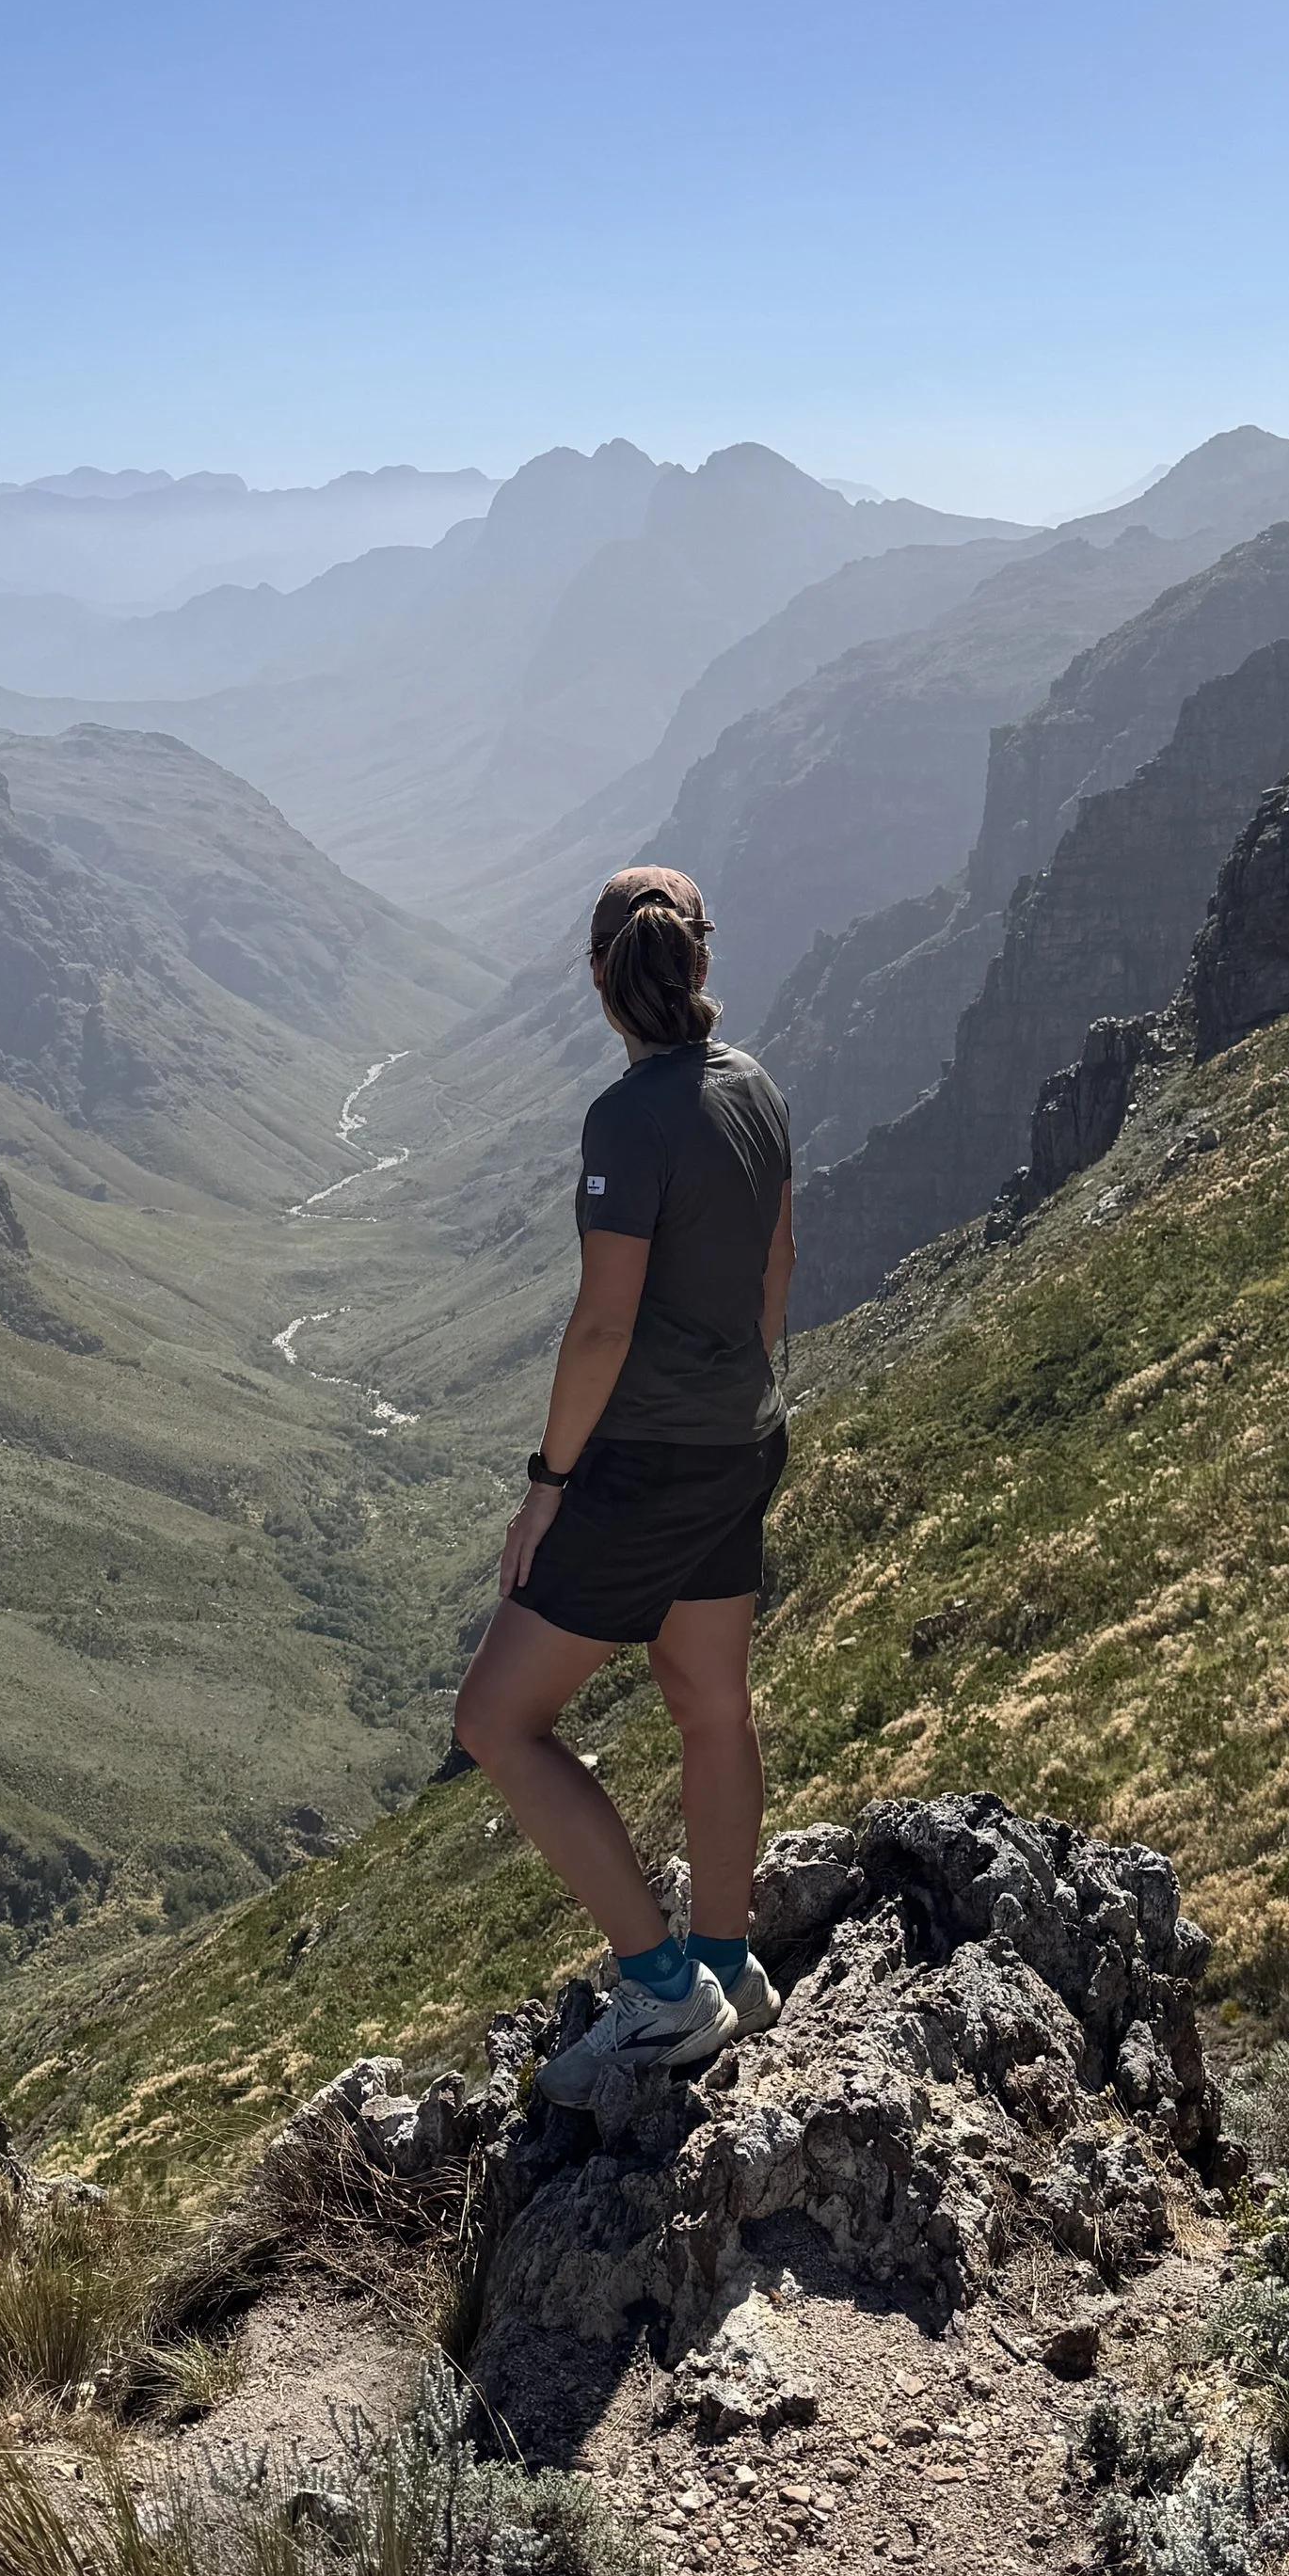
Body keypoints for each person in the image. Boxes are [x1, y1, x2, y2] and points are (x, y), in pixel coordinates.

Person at [452, 864, 793, 2103]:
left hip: (643, 1465)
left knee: (495, 1721)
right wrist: (734, 1404)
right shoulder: (755, 1088)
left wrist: (548, 1486)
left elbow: (600, 1329)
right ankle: (728, 1958)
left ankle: (661, 1993)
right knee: (709, 1695)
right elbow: (776, 1269)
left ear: (606, 981)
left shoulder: (626, 1119)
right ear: (697, 959)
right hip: (741, 1441)